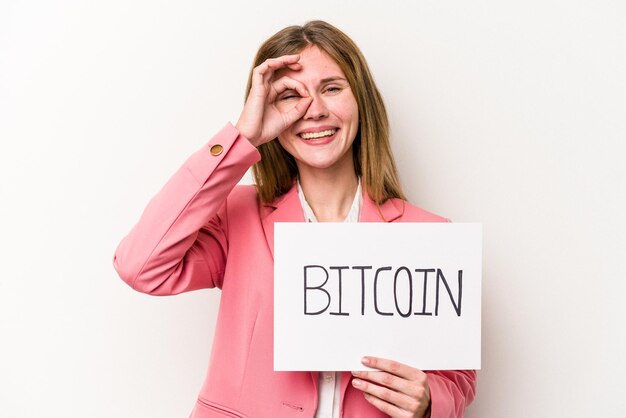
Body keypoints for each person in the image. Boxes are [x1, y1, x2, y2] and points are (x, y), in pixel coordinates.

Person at [113, 20, 476, 418]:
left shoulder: (431, 236)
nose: (315, 111)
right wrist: (241, 138)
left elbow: (456, 380)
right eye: (291, 96)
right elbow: (140, 266)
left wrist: (427, 401)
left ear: (362, 101)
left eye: (332, 88)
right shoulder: (238, 218)